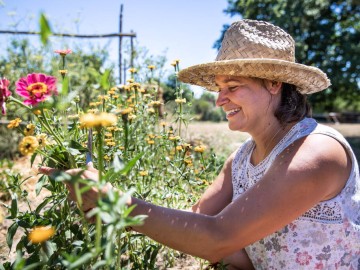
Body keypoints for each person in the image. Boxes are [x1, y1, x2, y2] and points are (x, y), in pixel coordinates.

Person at [39, 20, 360, 269]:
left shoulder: (316, 152)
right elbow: (192, 223)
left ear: (275, 84)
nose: (220, 99)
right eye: (219, 88)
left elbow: (217, 237)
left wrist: (116, 202)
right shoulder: (241, 159)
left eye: (233, 86)